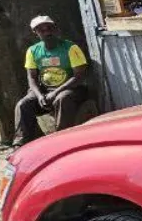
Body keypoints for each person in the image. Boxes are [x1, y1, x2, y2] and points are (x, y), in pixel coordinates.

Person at [13, 15, 88, 146]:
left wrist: (55, 92)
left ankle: (62, 141)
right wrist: (39, 95)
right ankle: (21, 143)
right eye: (42, 30)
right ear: (35, 33)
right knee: (23, 105)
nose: (47, 32)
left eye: (50, 28)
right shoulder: (33, 51)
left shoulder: (71, 48)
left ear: (55, 29)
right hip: (45, 90)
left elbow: (79, 76)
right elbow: (31, 77)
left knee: (62, 98)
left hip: (71, 88)